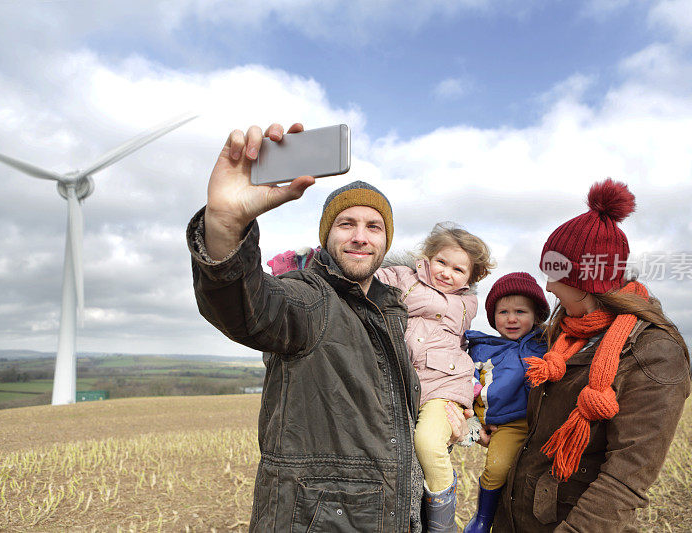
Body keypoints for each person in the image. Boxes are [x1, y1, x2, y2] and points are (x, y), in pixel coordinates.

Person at [186, 123, 427, 531]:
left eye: (374, 227)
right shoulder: (310, 299)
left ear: (386, 241)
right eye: (346, 224)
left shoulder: (394, 313)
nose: (361, 237)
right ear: (326, 234)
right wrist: (225, 226)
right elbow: (247, 308)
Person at [492, 178, 691, 532]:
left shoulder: (653, 353)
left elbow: (624, 481)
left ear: (586, 280)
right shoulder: (564, 333)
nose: (549, 287)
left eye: (555, 275)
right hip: (515, 519)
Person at [374, 223, 493, 531]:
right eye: (441, 262)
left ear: (470, 278)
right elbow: (363, 275)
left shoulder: (466, 303)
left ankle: (442, 525)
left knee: (428, 443)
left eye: (458, 270)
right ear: (426, 257)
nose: (446, 273)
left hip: (445, 384)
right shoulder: (402, 277)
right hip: (403, 381)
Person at [461, 272, 550, 533]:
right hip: (509, 426)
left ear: (537, 316)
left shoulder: (546, 343)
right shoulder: (482, 349)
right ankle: (483, 519)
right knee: (497, 469)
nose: (511, 319)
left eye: (521, 311)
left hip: (546, 423)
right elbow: (467, 386)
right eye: (503, 312)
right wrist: (474, 424)